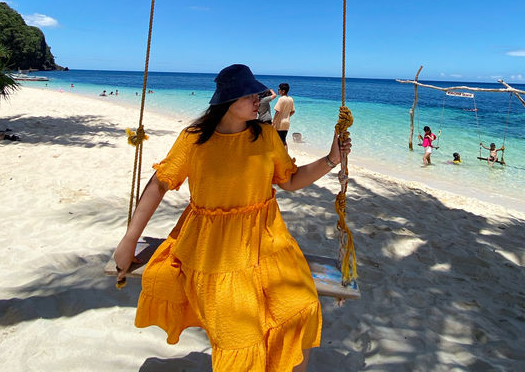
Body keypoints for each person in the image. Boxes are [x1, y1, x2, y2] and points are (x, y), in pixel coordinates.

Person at [114, 64, 350, 372]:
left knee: (301, 308)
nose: (259, 99)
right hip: (213, 248)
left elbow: (290, 181)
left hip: (267, 241)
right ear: (228, 100)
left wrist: (332, 159)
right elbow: (159, 183)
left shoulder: (265, 136)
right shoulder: (194, 139)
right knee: (239, 333)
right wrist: (129, 240)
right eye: (250, 94)